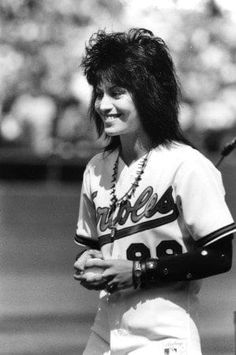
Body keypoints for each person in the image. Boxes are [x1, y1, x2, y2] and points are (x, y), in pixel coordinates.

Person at [73, 28, 235, 355]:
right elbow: (91, 247)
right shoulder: (96, 169)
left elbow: (220, 256)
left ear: (148, 95)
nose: (104, 105)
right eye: (99, 93)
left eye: (117, 93)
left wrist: (138, 272)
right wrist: (85, 262)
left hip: (165, 339)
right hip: (104, 333)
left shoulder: (186, 165)